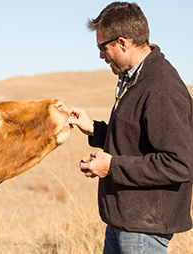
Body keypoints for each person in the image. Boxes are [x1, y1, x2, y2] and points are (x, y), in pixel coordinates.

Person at [67, 2, 193, 254]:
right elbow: (136, 140)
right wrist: (93, 128)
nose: (101, 55)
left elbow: (179, 164)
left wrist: (112, 166)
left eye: (103, 47)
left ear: (123, 43)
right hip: (125, 222)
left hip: (144, 230)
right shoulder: (137, 78)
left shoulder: (162, 88)